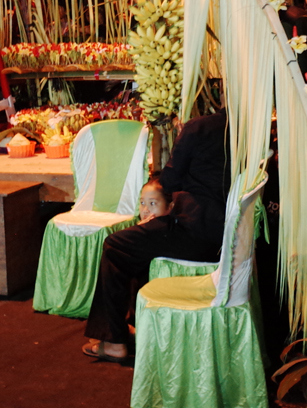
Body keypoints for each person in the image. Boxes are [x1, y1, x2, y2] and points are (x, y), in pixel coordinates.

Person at [82, 111, 229, 362]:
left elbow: (169, 179)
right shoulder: (249, 130)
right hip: (221, 235)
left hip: (193, 231)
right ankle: (134, 323)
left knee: (115, 245)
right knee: (140, 242)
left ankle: (115, 340)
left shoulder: (199, 127)